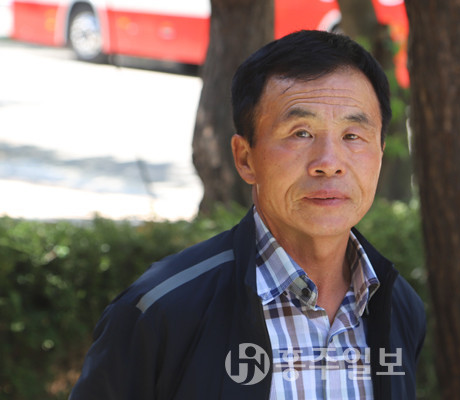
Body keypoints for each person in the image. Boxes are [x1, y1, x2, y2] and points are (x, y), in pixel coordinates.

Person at [70, 30, 426, 400]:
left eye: (352, 136)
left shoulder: (399, 306)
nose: (329, 163)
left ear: (380, 153)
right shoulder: (159, 311)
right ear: (245, 158)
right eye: (301, 133)